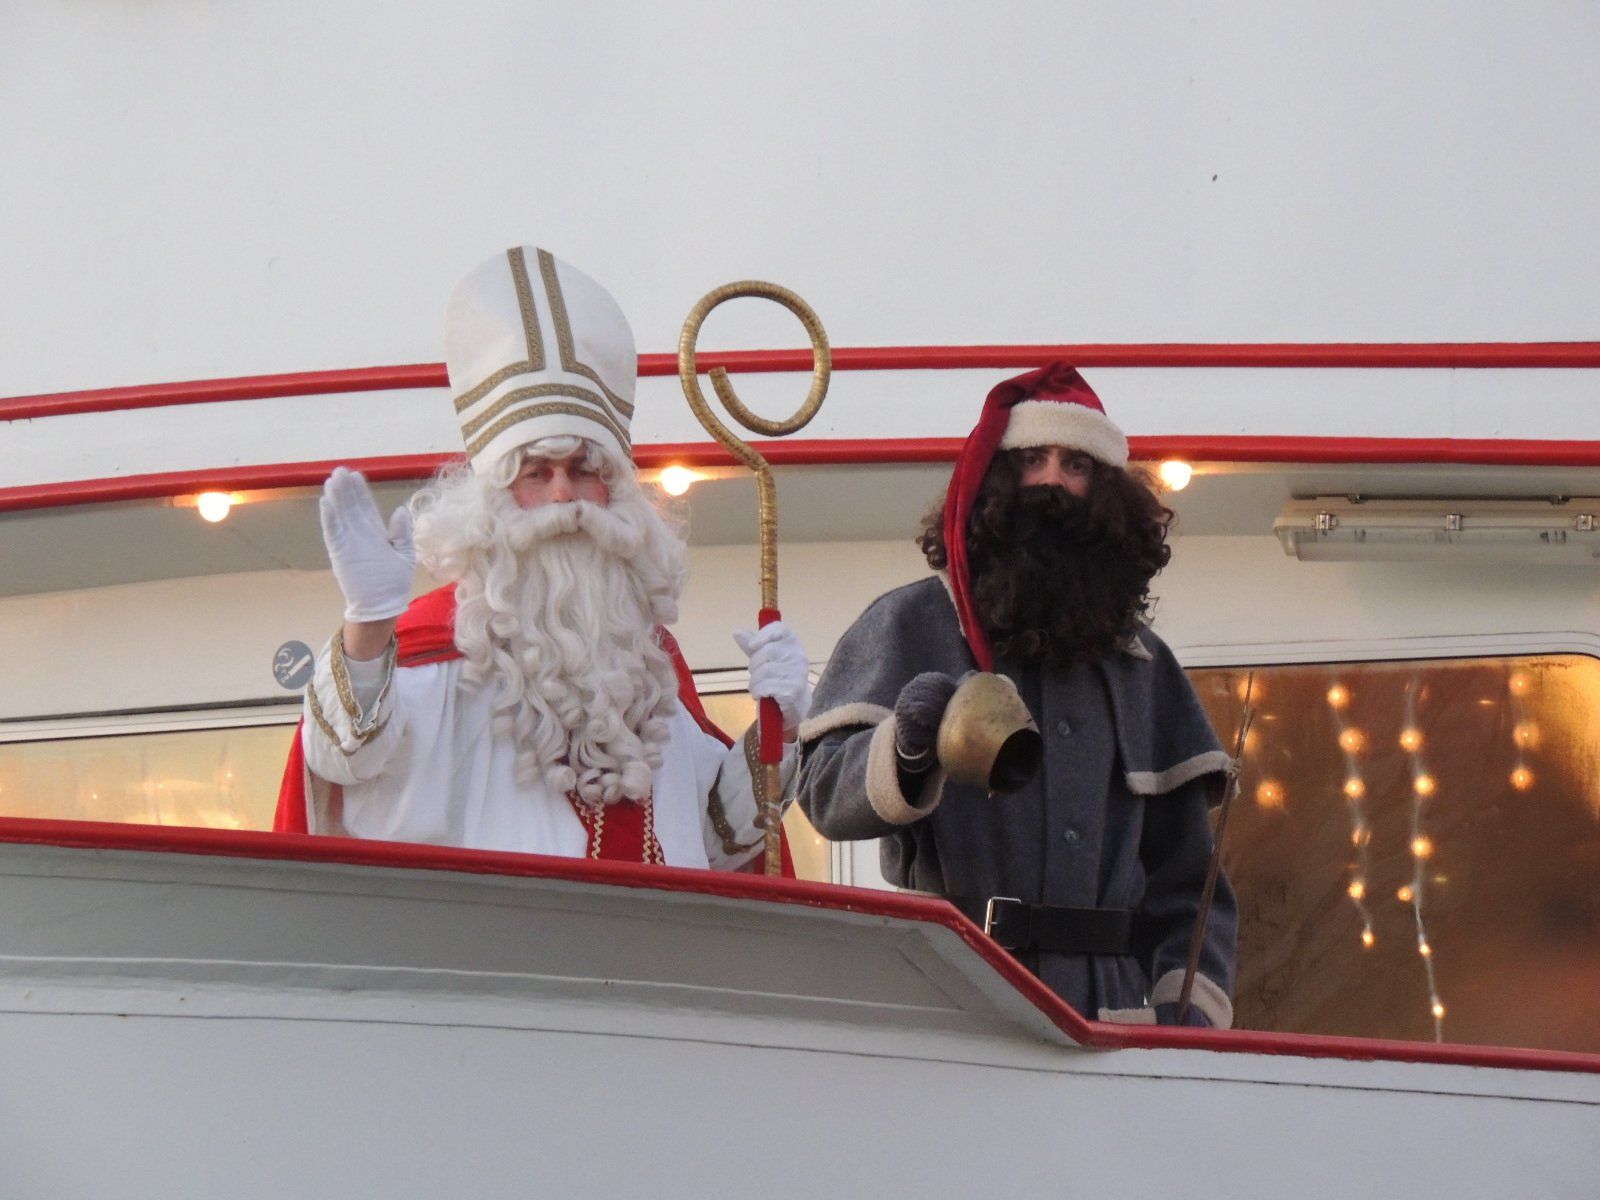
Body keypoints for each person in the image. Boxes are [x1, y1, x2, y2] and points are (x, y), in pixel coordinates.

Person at [276, 245, 810, 870]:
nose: (563, 496)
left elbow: (717, 844)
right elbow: (342, 761)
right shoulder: (440, 648)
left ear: (616, 496)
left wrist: (779, 728)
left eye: (584, 470)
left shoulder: (645, 661)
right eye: (536, 473)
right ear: (492, 501)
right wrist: (368, 624)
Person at [796, 363, 1237, 1026]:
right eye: (1033, 459)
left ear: (1105, 497)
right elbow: (823, 794)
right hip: (955, 1001)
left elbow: (1189, 887)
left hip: (1107, 1021)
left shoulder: (1144, 667)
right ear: (998, 479)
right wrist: (906, 749)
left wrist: (1188, 1016)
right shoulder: (914, 623)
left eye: (1075, 465)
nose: (1052, 481)